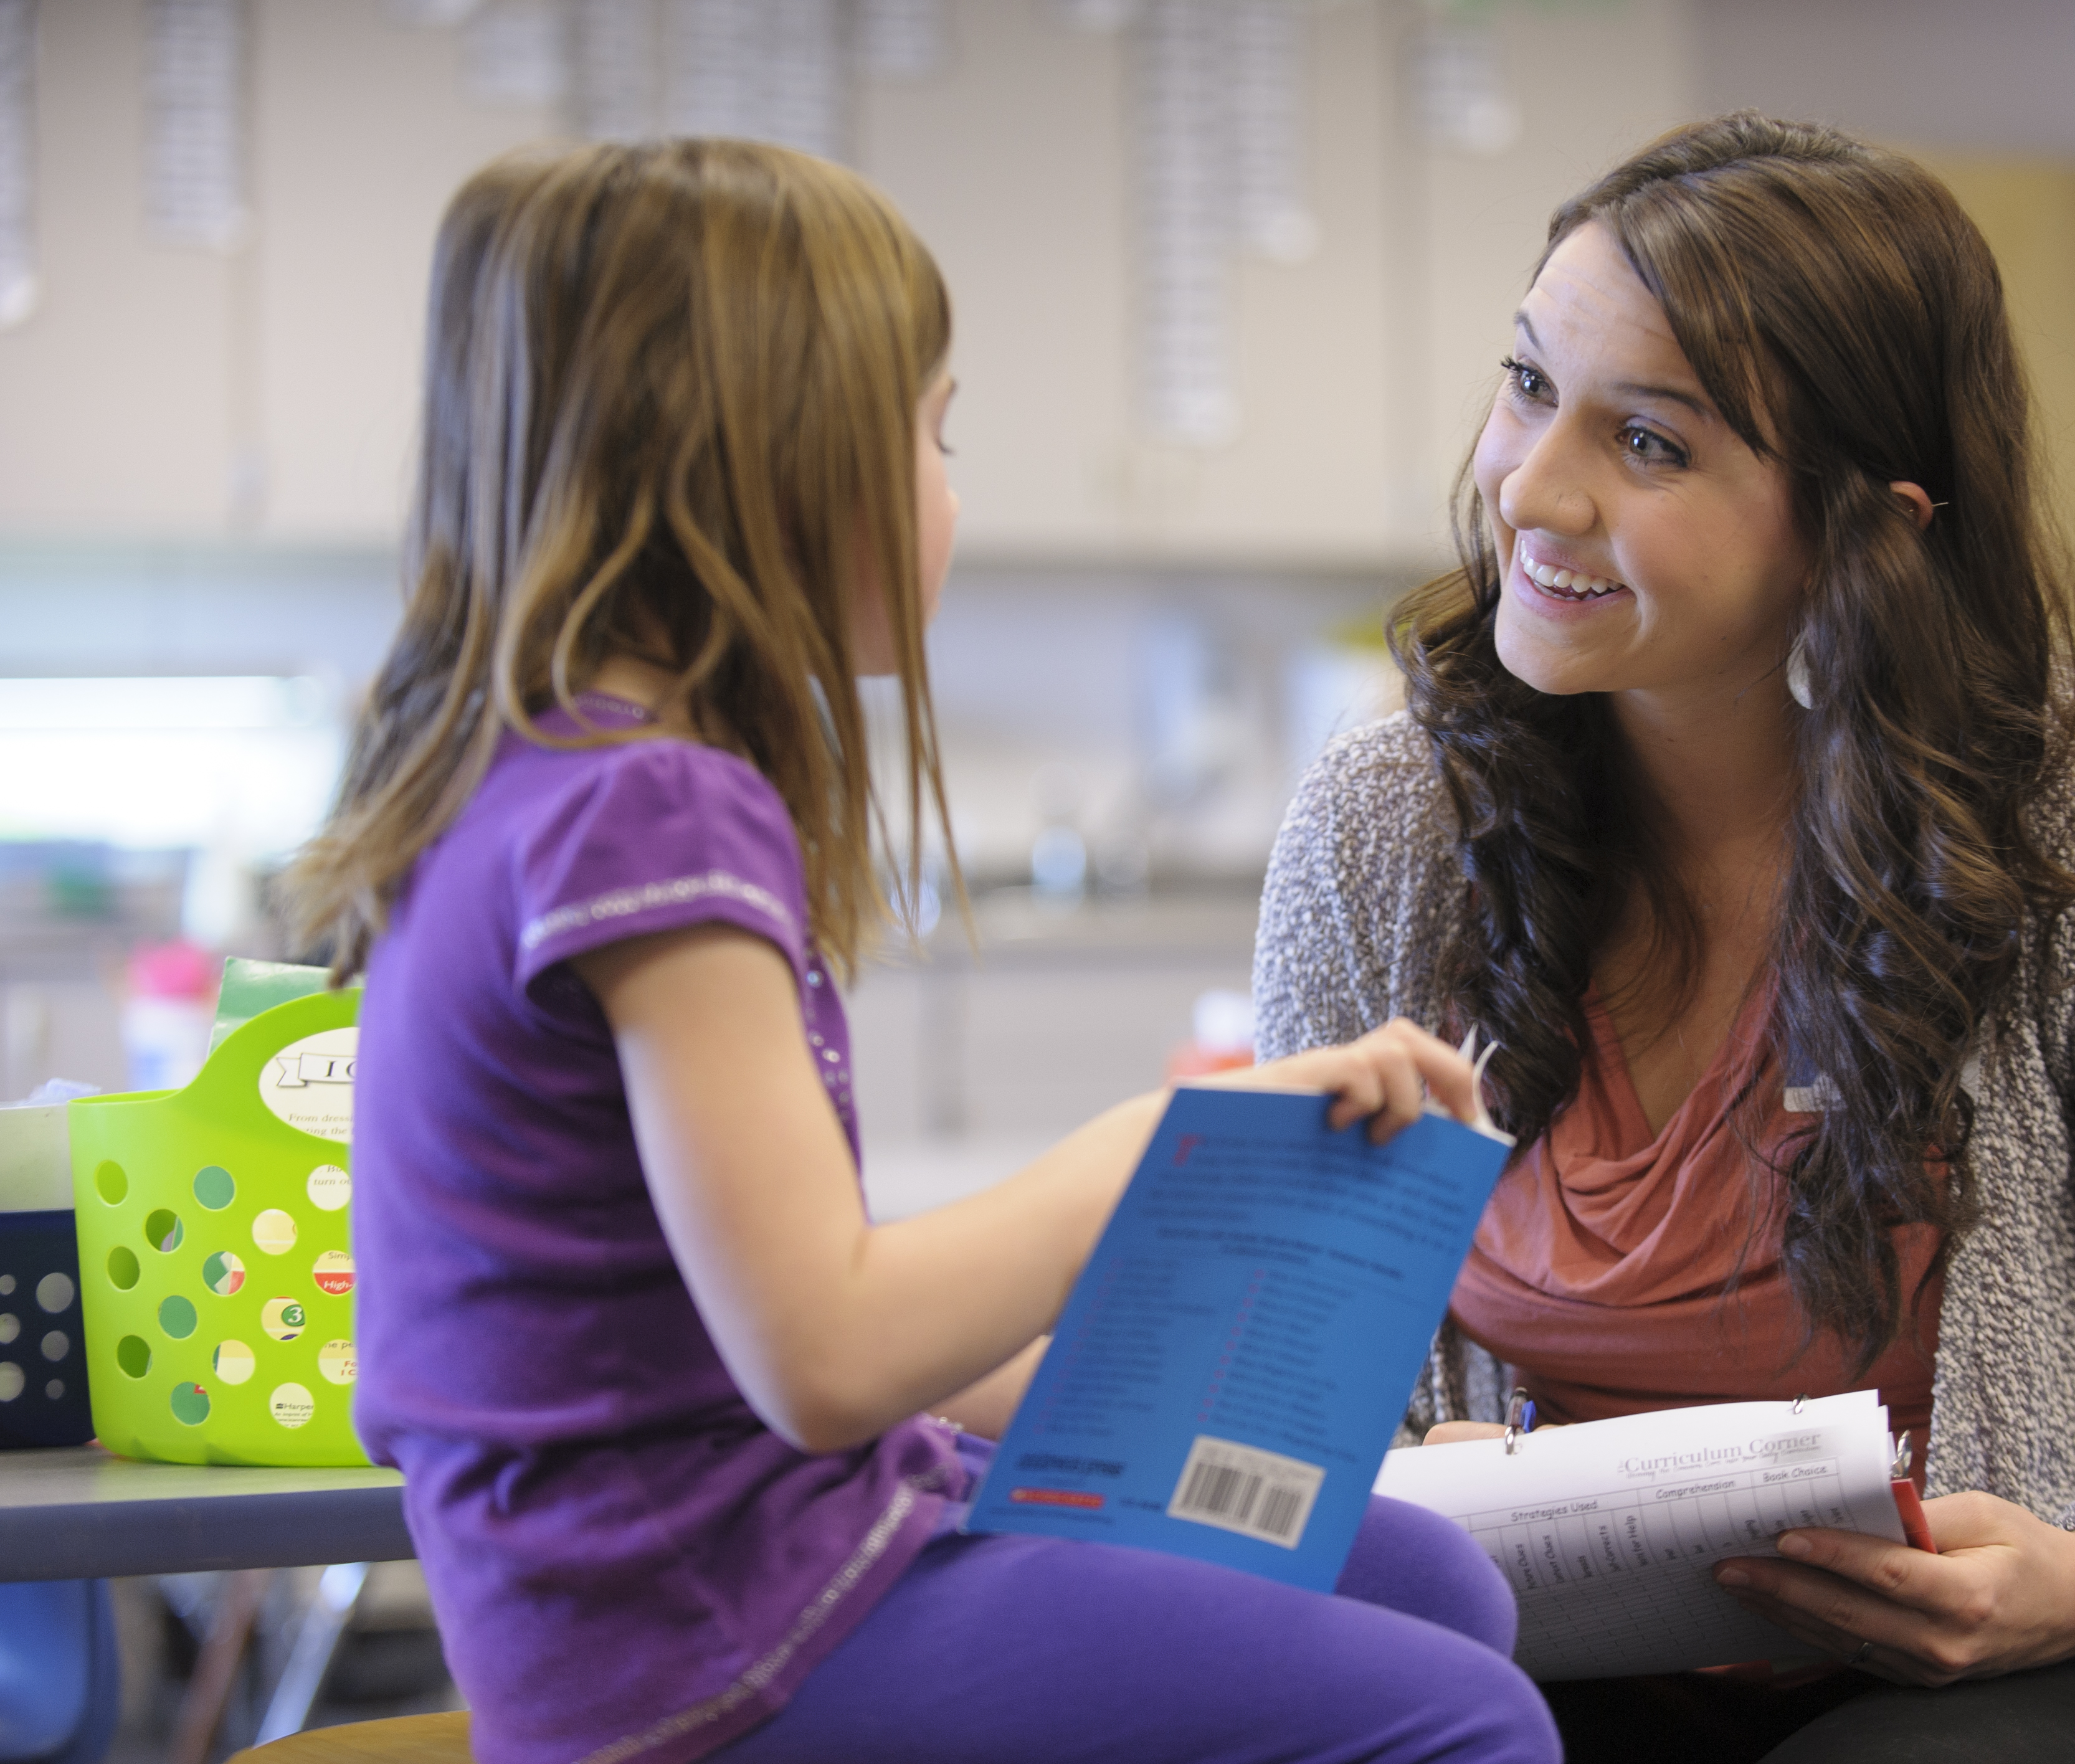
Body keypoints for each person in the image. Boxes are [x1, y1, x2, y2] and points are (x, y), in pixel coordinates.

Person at [282, 139, 1559, 1764]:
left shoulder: (544, 778)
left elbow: (737, 1341)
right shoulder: (647, 810)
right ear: (777, 459)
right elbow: (824, 1355)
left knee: (1430, 1580)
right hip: (711, 1633)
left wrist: (1149, 1397)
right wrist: (1169, 1152)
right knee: (1465, 1719)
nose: (952, 485)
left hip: (716, 1575)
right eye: (934, 431)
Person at [1253, 113, 2075, 1764]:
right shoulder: (1385, 822)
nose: (1532, 490)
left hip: (2022, 1677)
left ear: (1866, 532)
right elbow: (1299, 1368)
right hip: (1548, 1662)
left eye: (1653, 447)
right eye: (1530, 383)